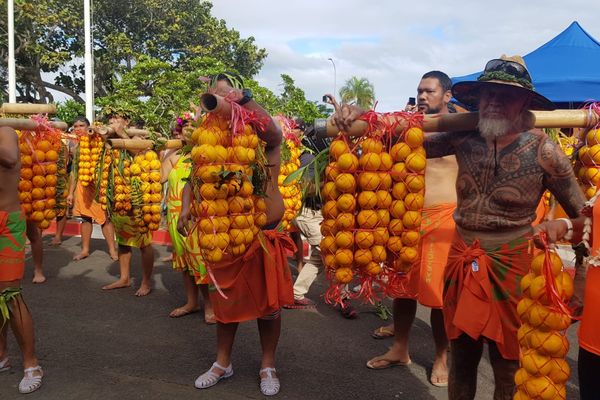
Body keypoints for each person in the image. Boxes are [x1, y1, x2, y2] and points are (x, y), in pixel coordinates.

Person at [332, 55, 586, 400]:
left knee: (507, 363)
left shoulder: (544, 152)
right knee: (462, 356)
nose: (494, 102)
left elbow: (585, 218)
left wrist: (560, 230)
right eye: (488, 93)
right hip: (462, 258)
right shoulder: (461, 136)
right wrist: (360, 118)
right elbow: (396, 142)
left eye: (505, 95)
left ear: (525, 101)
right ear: (477, 98)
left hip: (514, 264)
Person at [178, 72, 293, 396]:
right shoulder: (210, 146)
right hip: (224, 234)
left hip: (262, 236)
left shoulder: (259, 139)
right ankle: (222, 363)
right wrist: (187, 207)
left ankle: (267, 364)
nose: (221, 101)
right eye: (216, 94)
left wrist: (240, 98)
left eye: (226, 94)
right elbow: (193, 179)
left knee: (269, 308)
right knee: (225, 305)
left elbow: (275, 133)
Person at [367, 71, 456, 387]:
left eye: (429, 91)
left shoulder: (460, 127)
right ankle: (400, 349)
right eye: (419, 91)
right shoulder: (405, 128)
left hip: (444, 221)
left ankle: (442, 358)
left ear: (447, 95)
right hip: (406, 219)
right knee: (401, 291)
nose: (422, 96)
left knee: (438, 299)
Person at [0, 126, 43, 394]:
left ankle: (32, 364)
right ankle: (2, 356)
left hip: (7, 224)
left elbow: (10, 158)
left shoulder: (4, 131)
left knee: (10, 293)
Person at [161, 116, 214, 322]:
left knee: (199, 261)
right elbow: (160, 178)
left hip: (197, 214)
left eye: (193, 128)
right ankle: (192, 302)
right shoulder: (175, 157)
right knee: (183, 261)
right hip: (174, 214)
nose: (188, 132)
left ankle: (209, 306)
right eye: (185, 129)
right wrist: (170, 150)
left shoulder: (205, 155)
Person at [102, 113, 155, 296]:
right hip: (119, 198)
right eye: (110, 122)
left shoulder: (137, 138)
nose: (113, 124)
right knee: (123, 242)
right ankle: (124, 278)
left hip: (139, 198)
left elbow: (143, 156)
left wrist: (123, 135)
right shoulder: (109, 141)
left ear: (126, 122)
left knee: (144, 243)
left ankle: (146, 282)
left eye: (116, 121)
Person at [67, 116, 118, 261]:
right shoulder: (75, 148)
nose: (78, 129)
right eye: (75, 126)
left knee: (105, 219)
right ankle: (85, 250)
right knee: (85, 218)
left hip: (98, 185)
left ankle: (112, 250)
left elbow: (107, 134)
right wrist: (70, 193)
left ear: (88, 127)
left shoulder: (98, 139)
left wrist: (96, 130)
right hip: (83, 186)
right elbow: (74, 172)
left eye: (81, 125)